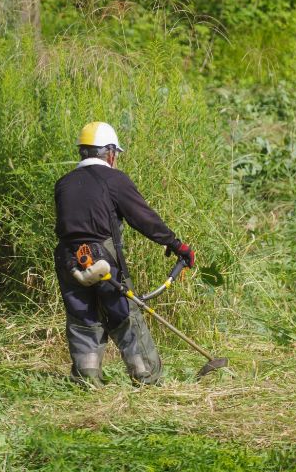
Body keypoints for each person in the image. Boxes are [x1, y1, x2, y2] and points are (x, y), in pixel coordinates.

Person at [53, 121, 195, 386]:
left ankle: (87, 379)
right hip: (102, 259)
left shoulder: (64, 184)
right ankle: (146, 378)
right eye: (115, 153)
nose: (115, 158)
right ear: (108, 152)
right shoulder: (114, 180)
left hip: (68, 261)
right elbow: (144, 219)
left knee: (82, 317)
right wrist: (177, 245)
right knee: (124, 316)